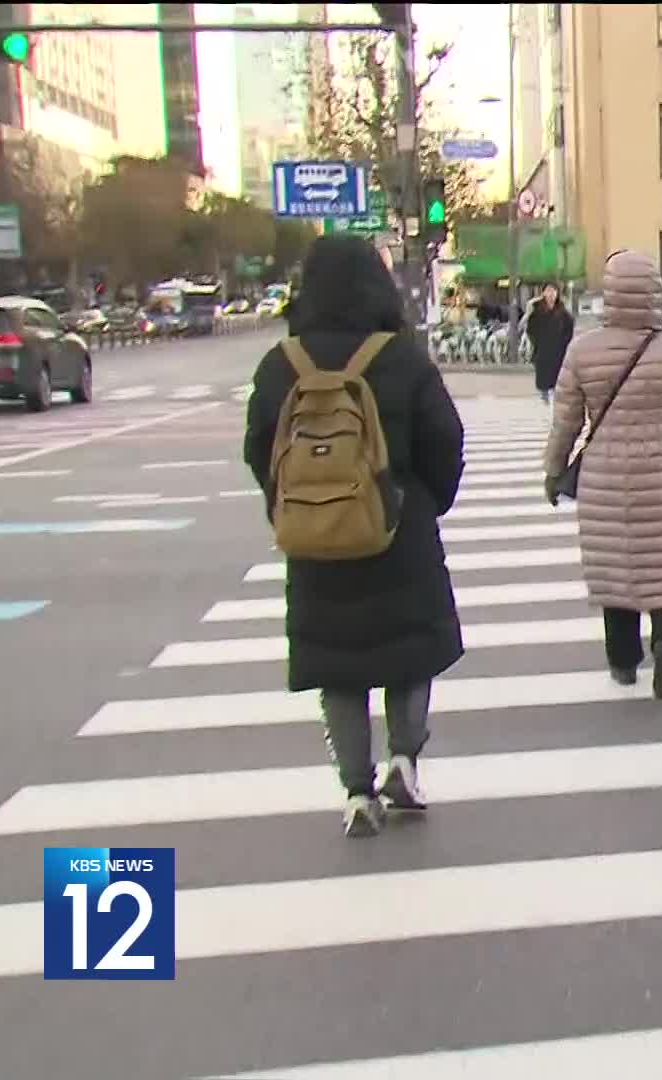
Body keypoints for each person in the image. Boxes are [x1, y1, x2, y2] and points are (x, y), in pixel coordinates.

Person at [240, 234, 466, 838]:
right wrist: (424, 503)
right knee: (410, 650)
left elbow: (260, 450)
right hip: (398, 530)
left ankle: (357, 791)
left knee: (337, 667)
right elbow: (446, 439)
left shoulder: (280, 364)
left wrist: (293, 505)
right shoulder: (403, 358)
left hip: (318, 539)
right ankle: (403, 758)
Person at [541, 250, 662, 699]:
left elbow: (567, 421)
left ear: (610, 295)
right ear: (653, 292)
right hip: (658, 470)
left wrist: (554, 469)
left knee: (615, 564)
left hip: (603, 478)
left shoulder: (582, 351)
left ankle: (622, 659)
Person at [526, 283, 575, 404]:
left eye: (553, 291)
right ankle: (544, 394)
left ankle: (555, 392)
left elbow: (569, 327)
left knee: (557, 371)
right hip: (542, 346)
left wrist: (565, 341)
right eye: (548, 291)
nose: (551, 294)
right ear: (543, 293)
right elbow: (530, 328)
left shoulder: (562, 310)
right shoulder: (537, 310)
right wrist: (536, 341)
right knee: (543, 371)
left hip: (558, 347)